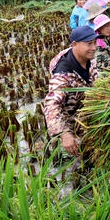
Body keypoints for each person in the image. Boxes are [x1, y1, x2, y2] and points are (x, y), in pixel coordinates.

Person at [43, 25, 101, 191]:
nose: (94, 47)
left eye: (95, 42)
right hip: (70, 115)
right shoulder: (63, 73)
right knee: (81, 153)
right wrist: (65, 134)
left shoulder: (90, 60)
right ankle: (82, 182)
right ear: (75, 44)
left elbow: (97, 82)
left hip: (87, 108)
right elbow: (51, 105)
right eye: (89, 44)